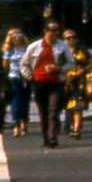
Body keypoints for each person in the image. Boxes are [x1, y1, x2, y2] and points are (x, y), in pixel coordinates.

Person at [18, 20, 70, 148]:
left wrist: (59, 68)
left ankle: (52, 138)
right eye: (52, 30)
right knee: (43, 112)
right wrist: (29, 76)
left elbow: (71, 62)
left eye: (57, 30)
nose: (55, 33)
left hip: (56, 82)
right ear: (45, 31)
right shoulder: (34, 46)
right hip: (39, 83)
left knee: (54, 110)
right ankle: (46, 138)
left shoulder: (63, 46)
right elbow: (24, 64)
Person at [61, 29, 92, 139]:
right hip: (66, 82)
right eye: (68, 38)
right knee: (68, 106)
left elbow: (91, 63)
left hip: (80, 81)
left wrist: (84, 70)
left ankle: (76, 129)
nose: (71, 39)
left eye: (73, 37)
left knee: (78, 106)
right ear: (63, 39)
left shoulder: (82, 50)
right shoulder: (60, 51)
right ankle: (71, 125)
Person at [2, 28, 29, 137]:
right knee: (16, 102)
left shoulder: (26, 48)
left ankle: (24, 122)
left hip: (26, 76)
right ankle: (16, 124)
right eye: (13, 36)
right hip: (14, 76)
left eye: (18, 35)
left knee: (25, 101)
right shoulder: (8, 49)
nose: (16, 38)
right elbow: (5, 65)